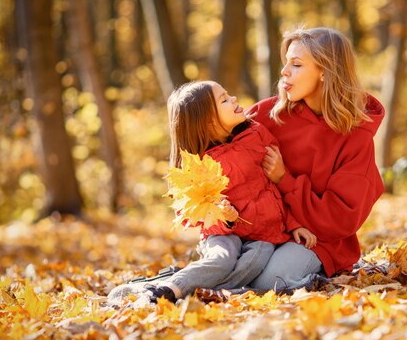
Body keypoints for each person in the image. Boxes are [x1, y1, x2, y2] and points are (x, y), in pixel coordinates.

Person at [108, 81, 316, 303]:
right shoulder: (199, 165)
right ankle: (168, 289)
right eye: (224, 100)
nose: (234, 99)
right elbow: (195, 214)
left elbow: (273, 190)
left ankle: (183, 290)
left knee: (256, 260)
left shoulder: (257, 136)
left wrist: (294, 223)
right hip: (222, 234)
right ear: (207, 121)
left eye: (229, 94)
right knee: (222, 260)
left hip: (262, 233)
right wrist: (224, 219)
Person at [246, 27, 386, 291]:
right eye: (286, 62)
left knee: (269, 283)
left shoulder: (355, 136)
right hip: (262, 227)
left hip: (317, 241)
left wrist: (284, 179)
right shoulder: (267, 114)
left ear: (325, 71)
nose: (284, 71)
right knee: (228, 265)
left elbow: (340, 219)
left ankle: (316, 278)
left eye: (296, 64)